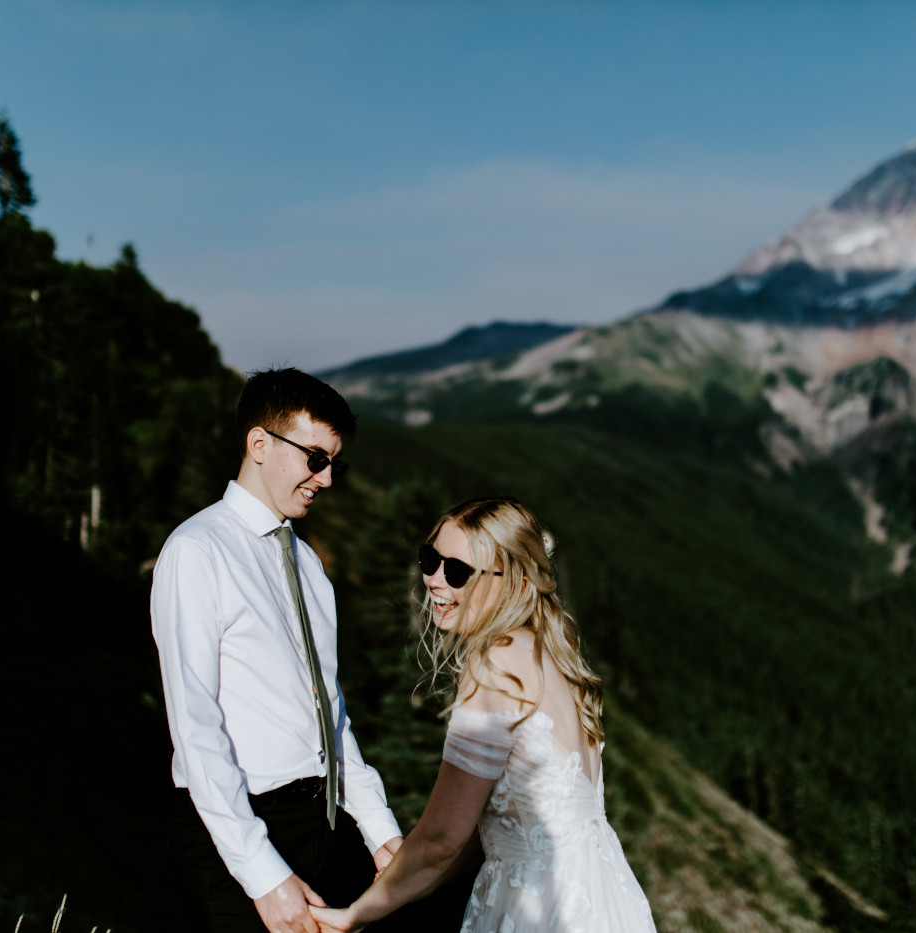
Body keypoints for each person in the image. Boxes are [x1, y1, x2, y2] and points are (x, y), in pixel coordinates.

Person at [312, 497, 657, 933]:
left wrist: (358, 913)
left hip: (539, 907)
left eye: (456, 571)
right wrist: (408, 877)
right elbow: (493, 830)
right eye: (430, 559)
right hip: (602, 897)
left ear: (508, 580)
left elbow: (441, 838)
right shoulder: (548, 656)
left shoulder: (496, 662)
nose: (434, 580)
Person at [151, 368, 405, 933]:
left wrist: (381, 830)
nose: (328, 478)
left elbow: (329, 712)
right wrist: (262, 874)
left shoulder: (310, 566)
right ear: (258, 444)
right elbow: (195, 727)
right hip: (241, 820)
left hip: (324, 818)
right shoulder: (196, 551)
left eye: (335, 463)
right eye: (316, 458)